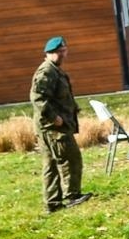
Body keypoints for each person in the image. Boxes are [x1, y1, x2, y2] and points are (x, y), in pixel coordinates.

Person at [30, 36, 90, 213]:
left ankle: (52, 202)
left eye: (64, 51)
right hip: (53, 127)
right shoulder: (47, 71)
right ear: (49, 53)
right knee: (71, 159)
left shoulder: (55, 70)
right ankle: (72, 195)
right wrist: (54, 117)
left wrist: (73, 109)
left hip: (50, 126)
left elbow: (60, 96)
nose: (63, 54)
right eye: (59, 52)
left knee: (51, 163)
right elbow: (37, 97)